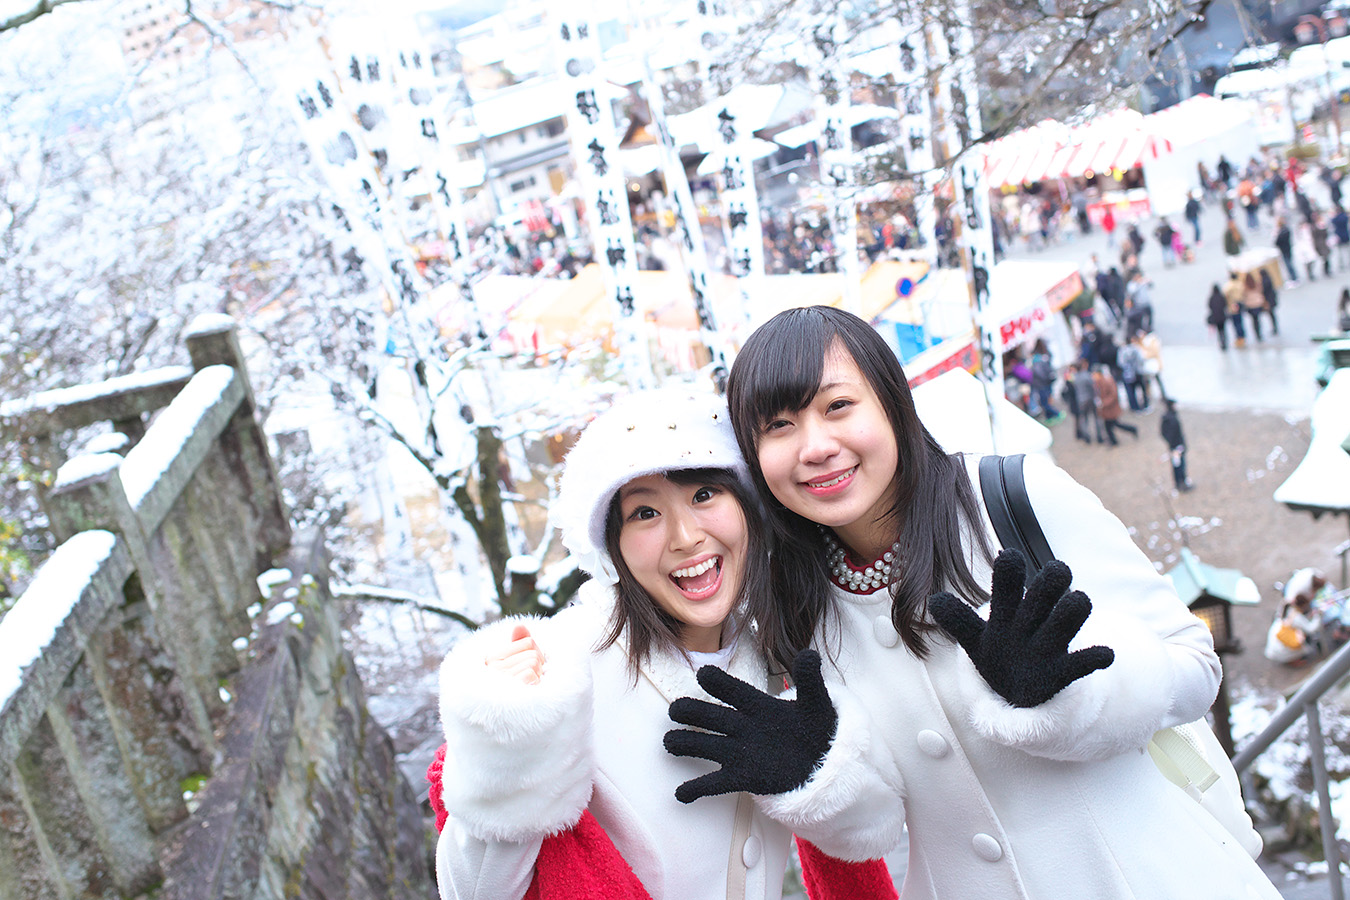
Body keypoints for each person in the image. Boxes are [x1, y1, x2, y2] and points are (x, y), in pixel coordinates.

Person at [667, 305, 1280, 899]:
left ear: (893, 403)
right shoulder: (795, 601)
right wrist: (813, 776)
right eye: (779, 426)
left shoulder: (1012, 498)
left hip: (1147, 876)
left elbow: (1195, 666)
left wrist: (1067, 690)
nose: (815, 445)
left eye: (838, 406)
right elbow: (878, 825)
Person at [431, 389, 893, 900]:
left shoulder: (787, 653)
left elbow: (871, 837)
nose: (685, 537)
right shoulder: (558, 672)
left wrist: (817, 775)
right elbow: (470, 892)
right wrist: (509, 753)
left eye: (703, 496)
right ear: (612, 547)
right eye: (645, 514)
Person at [1092, 364, 1138, 445]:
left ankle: (1131, 430)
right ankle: (1114, 440)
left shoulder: (1108, 381)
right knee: (1110, 426)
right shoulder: (1098, 382)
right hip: (1106, 409)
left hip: (1111, 409)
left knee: (1114, 425)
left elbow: (1113, 395)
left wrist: (1103, 403)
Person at [1159, 398, 1192, 492]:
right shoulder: (1172, 419)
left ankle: (1179, 483)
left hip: (1173, 446)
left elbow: (1163, 433)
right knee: (1179, 465)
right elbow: (1174, 434)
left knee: (1176, 465)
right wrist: (1176, 445)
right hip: (1177, 446)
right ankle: (1181, 483)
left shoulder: (1166, 417)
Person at [1206, 282, 1230, 351]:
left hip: (1216, 317)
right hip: (1222, 316)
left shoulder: (1211, 298)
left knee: (1219, 331)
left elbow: (1209, 306)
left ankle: (1221, 342)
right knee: (1223, 330)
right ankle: (1224, 341)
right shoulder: (1221, 296)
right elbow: (1225, 305)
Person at [1258, 267, 1280, 337]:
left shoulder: (1264, 282)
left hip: (1268, 301)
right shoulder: (1268, 279)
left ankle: (1275, 328)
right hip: (1272, 300)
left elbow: (1263, 291)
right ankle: (1275, 328)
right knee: (1272, 315)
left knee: (1271, 315)